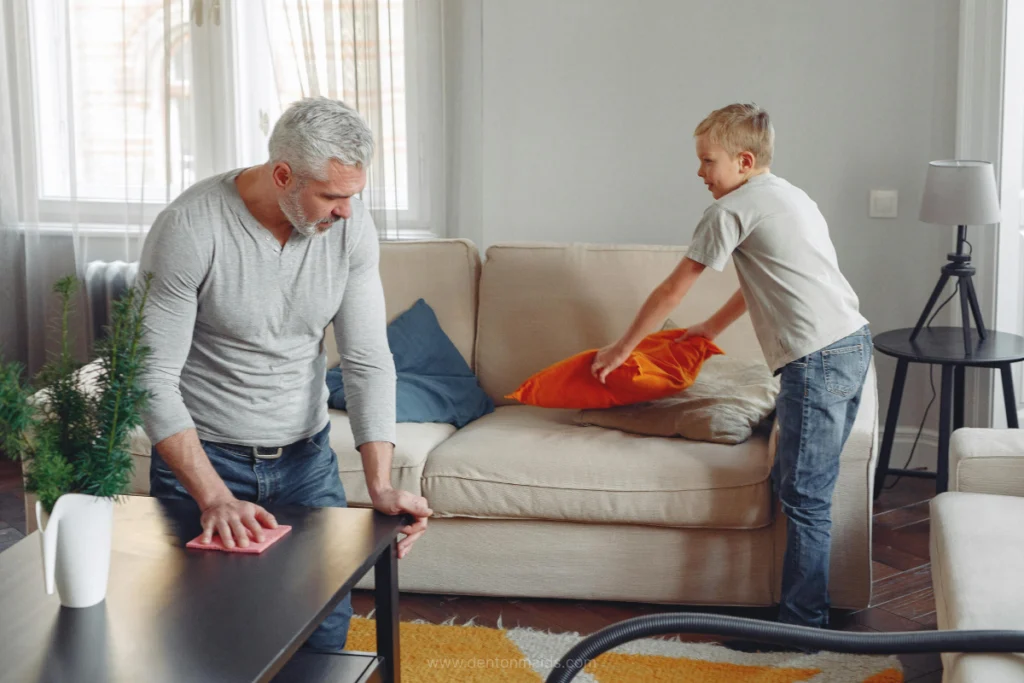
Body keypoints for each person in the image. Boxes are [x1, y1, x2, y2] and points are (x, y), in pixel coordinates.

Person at [138, 96, 431, 652]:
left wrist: (380, 485)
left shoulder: (349, 226)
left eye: (353, 195)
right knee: (206, 640)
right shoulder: (190, 227)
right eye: (332, 196)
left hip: (306, 460)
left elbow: (367, 358)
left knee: (322, 632)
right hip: (204, 461)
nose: (346, 210)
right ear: (282, 175)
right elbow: (151, 376)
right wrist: (214, 496)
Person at [591, 103, 871, 631]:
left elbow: (674, 287)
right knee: (807, 489)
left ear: (743, 161)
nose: (700, 173)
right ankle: (799, 615)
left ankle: (801, 629)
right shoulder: (789, 196)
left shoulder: (729, 210)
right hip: (852, 342)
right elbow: (764, 278)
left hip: (817, 360)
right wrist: (711, 330)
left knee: (805, 498)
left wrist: (624, 348)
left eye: (707, 161)